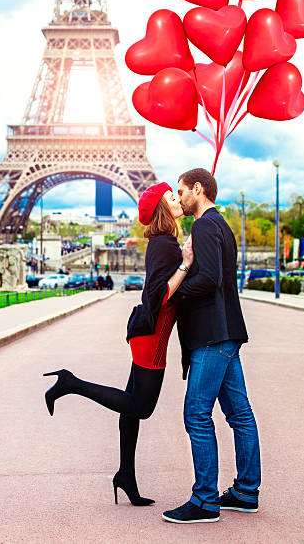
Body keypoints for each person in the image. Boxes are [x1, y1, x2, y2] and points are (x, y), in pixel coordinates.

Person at [43, 182, 193, 506]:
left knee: (131, 406)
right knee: (141, 407)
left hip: (146, 335)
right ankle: (71, 383)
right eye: (171, 196)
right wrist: (185, 264)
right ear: (162, 209)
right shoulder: (166, 245)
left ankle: (126, 474)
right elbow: (158, 295)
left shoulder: (163, 241)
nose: (176, 199)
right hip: (152, 339)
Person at [162, 168, 261, 525]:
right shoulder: (222, 225)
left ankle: (205, 500)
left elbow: (210, 278)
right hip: (228, 331)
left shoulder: (203, 226)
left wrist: (174, 292)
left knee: (197, 415)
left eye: (181, 190)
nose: (179, 197)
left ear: (197, 189)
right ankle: (246, 491)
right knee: (239, 414)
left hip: (210, 335)